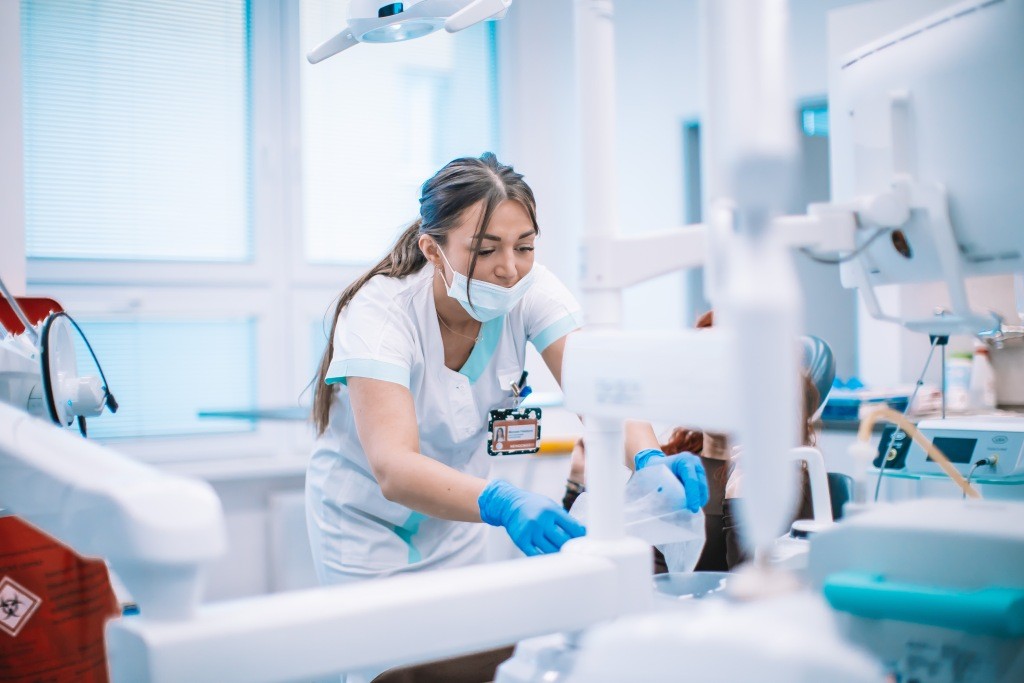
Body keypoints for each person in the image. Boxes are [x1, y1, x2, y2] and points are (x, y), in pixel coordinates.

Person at [306, 152, 592, 588]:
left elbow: (602, 390)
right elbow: (394, 467)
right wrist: (503, 503)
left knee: (464, 630)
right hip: (366, 526)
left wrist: (650, 458)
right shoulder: (382, 312)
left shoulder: (531, 290)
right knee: (389, 635)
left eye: (525, 247)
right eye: (485, 250)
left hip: (459, 518)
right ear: (432, 251)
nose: (509, 269)